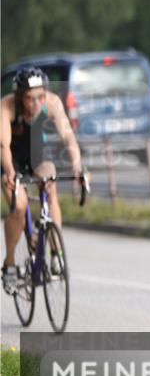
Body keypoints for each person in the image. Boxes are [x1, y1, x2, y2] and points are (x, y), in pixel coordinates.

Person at [1, 66, 86, 294]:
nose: (35, 104)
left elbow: (68, 137)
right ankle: (9, 263)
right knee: (19, 207)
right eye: (29, 99)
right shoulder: (7, 107)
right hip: (10, 158)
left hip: (37, 152)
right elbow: (4, 146)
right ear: (20, 97)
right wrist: (9, 171)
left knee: (50, 182)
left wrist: (77, 164)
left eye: (40, 97)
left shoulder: (53, 102)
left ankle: (55, 253)